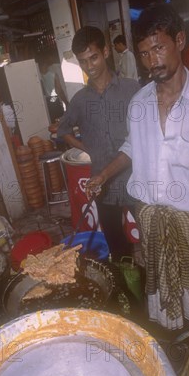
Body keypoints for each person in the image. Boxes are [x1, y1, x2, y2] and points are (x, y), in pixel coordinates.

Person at [86, 4, 189, 354]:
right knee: (157, 275)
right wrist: (103, 174)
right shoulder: (138, 104)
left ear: (179, 40)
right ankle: (171, 327)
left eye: (159, 47)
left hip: (186, 215)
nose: (153, 60)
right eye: (145, 53)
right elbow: (131, 148)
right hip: (149, 212)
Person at [57, 26, 140, 260]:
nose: (89, 66)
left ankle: (152, 286)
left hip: (137, 178)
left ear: (105, 52)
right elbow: (63, 130)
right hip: (102, 185)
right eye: (83, 62)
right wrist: (88, 148)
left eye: (93, 57)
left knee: (149, 236)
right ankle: (128, 288)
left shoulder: (131, 89)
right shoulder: (80, 100)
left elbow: (147, 132)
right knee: (116, 242)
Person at [37, 51, 69, 124]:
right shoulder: (53, 75)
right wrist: (66, 102)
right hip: (54, 100)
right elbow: (59, 90)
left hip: (45, 102)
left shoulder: (38, 77)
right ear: (45, 63)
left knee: (51, 122)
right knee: (60, 122)